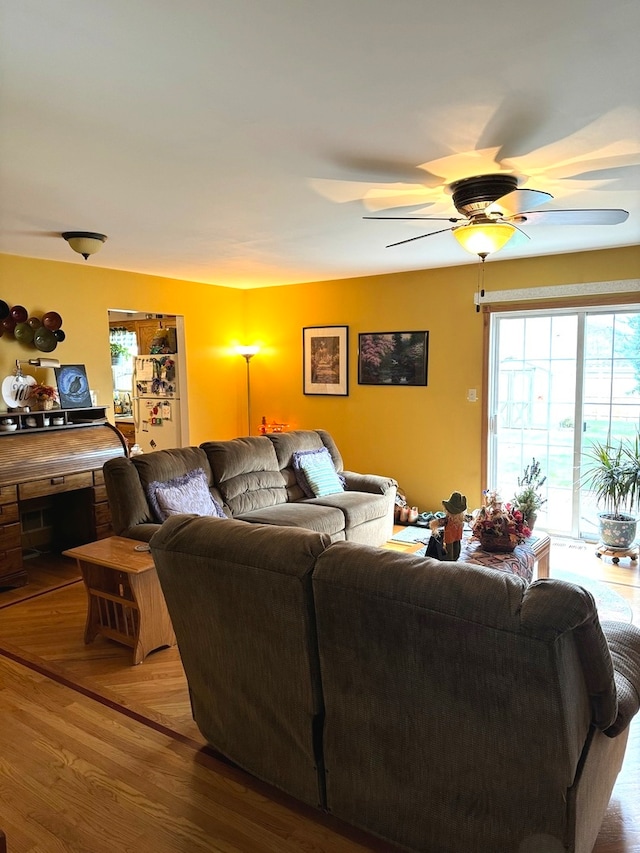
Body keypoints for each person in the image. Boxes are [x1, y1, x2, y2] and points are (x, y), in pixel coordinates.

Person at [430, 491, 467, 561]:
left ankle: (453, 560)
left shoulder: (461, 519)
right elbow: (440, 522)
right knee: (450, 552)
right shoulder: (450, 519)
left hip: (456, 537)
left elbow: (439, 522)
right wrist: (435, 524)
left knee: (456, 550)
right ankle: (450, 561)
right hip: (450, 538)